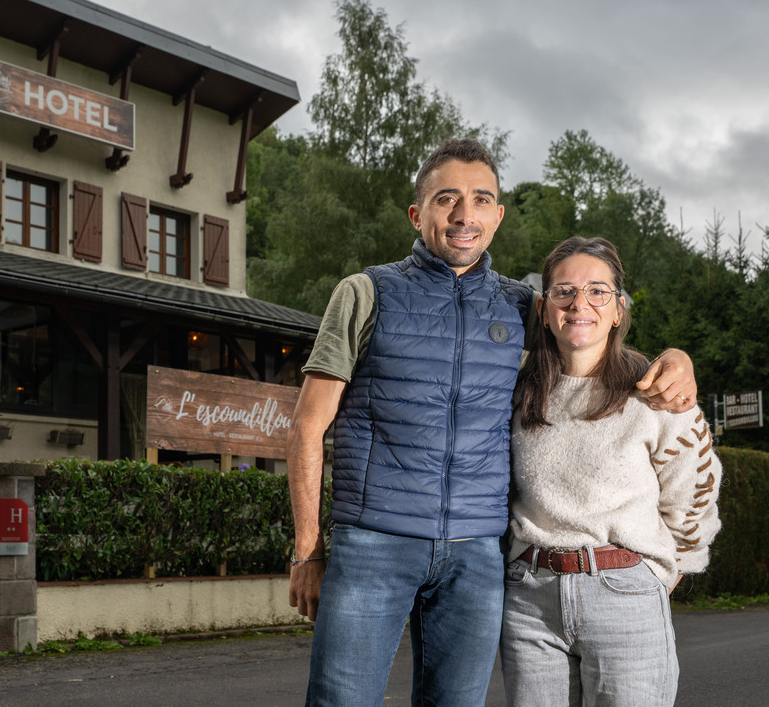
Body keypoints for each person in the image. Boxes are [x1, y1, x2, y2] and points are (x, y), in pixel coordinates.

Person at [287, 138, 697, 707]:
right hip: (373, 540)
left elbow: (589, 337)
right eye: (446, 198)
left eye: (481, 200)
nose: (464, 214)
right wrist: (307, 550)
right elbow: (308, 427)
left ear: (498, 216)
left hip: (478, 552)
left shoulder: (520, 306)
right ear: (418, 212)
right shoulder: (364, 294)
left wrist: (674, 360)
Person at [501, 236, 721, 707]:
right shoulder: (514, 390)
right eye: (564, 291)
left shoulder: (656, 392)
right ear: (544, 309)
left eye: (598, 291)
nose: (580, 303)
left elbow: (695, 487)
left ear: (618, 309)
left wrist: (670, 566)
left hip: (623, 591)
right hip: (529, 601)